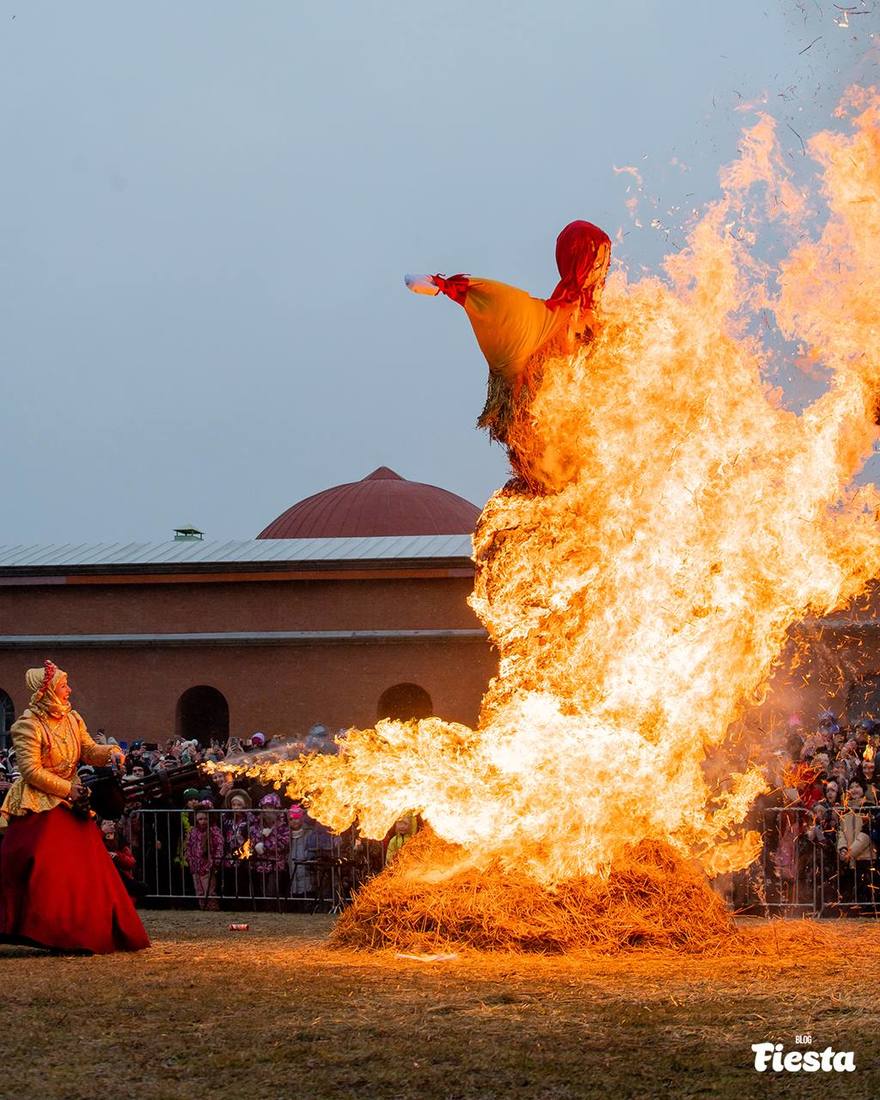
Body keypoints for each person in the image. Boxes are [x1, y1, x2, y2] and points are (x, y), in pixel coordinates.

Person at [408, 220, 611, 491]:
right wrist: (447, 287)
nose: (603, 270)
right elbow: (498, 304)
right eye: (597, 260)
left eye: (605, 261)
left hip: (586, 441)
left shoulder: (595, 319)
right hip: (544, 435)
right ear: (578, 259)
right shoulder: (542, 319)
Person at [0, 661, 150, 953]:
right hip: (39, 803)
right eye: (63, 685)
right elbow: (30, 770)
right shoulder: (27, 725)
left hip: (72, 802)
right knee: (41, 861)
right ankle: (43, 926)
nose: (69, 690)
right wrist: (68, 788)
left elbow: (89, 750)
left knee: (89, 866)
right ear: (48, 691)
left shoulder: (73, 719)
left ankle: (86, 929)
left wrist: (112, 753)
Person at [185, 805, 223, 910]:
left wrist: (216, 861)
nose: (203, 821)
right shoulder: (192, 831)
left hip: (208, 864)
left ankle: (212, 907)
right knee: (199, 889)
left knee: (209, 889)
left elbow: (219, 846)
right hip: (195, 864)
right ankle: (202, 907)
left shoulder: (214, 830)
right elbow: (188, 845)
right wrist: (188, 858)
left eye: (205, 819)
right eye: (200, 819)